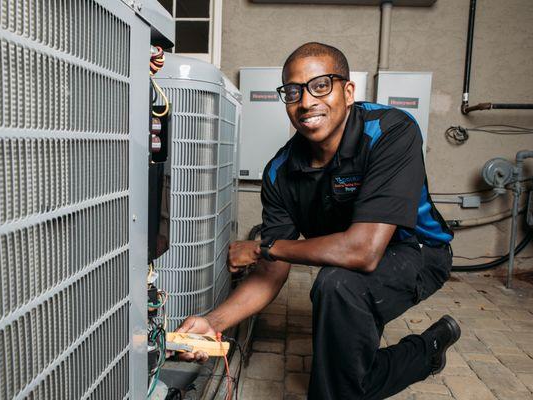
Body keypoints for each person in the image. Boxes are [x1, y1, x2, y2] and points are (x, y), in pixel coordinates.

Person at [175, 42, 461, 400]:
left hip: (420, 252)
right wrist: (212, 325)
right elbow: (270, 271)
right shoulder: (280, 172)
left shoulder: (390, 132)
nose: (307, 101)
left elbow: (363, 251)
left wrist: (266, 247)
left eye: (321, 85)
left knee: (337, 285)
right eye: (293, 91)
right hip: (349, 269)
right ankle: (426, 352)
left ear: (348, 91)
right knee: (347, 369)